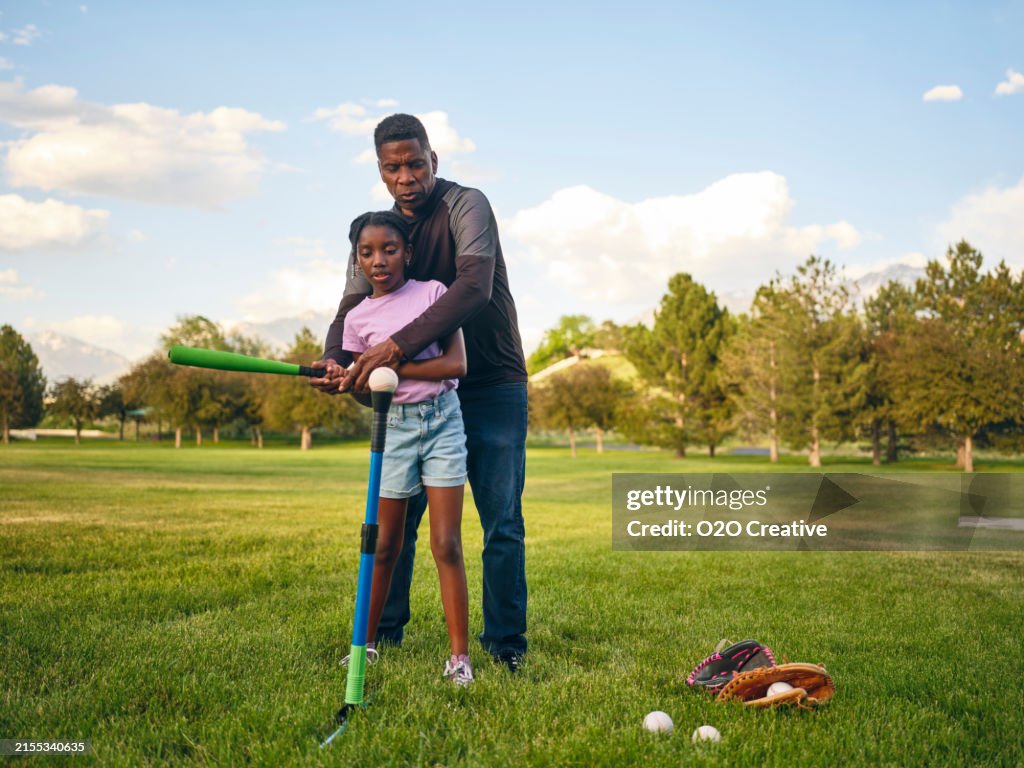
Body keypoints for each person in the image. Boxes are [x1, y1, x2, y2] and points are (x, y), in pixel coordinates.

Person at [312, 113, 529, 670]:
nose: (406, 176)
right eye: (393, 167)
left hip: (491, 380)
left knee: (500, 519)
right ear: (381, 172)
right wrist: (336, 363)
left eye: (415, 163)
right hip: (414, 394)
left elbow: (473, 288)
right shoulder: (380, 230)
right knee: (397, 524)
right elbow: (350, 313)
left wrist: (392, 350)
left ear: (433, 160)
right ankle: (383, 637)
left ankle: (504, 645)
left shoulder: (466, 205)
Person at [342, 209, 473, 685]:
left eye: (390, 249)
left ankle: (459, 657)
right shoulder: (356, 320)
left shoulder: (434, 295)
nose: (379, 260)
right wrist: (350, 378)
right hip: (391, 429)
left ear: (408, 253)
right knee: (383, 546)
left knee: (446, 542)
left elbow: (455, 365)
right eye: (367, 252)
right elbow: (363, 389)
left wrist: (388, 370)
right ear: (357, 261)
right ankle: (366, 644)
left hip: (442, 423)